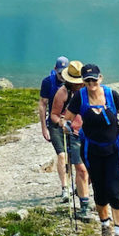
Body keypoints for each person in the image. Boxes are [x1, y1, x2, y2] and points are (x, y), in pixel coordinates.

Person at [62, 63, 119, 236]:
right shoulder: (80, 97)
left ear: (100, 78)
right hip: (91, 151)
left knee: (115, 190)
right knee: (100, 191)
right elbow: (67, 118)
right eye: (87, 80)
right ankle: (105, 226)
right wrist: (67, 126)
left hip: (114, 151)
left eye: (94, 79)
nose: (91, 83)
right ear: (83, 81)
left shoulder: (112, 96)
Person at [49, 59, 91, 220]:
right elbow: (53, 114)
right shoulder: (63, 93)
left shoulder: (89, 90)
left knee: (89, 170)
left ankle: (81, 192)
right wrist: (61, 122)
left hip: (88, 132)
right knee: (80, 168)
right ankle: (83, 203)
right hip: (71, 132)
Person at [38, 55, 71, 198]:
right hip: (54, 123)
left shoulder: (73, 83)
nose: (62, 76)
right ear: (55, 70)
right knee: (61, 155)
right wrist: (44, 128)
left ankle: (72, 185)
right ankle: (64, 187)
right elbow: (42, 105)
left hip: (70, 123)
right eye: (60, 73)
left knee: (72, 156)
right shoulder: (48, 82)